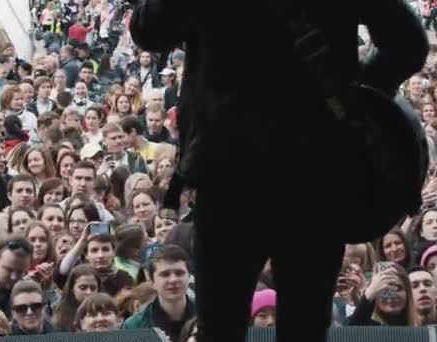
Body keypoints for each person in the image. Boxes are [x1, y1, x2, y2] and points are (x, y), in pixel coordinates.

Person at [129, 1, 429, 342]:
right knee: (306, 327)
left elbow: (148, 30)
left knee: (220, 328)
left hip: (229, 177)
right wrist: (356, 93)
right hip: (318, 176)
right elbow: (407, 44)